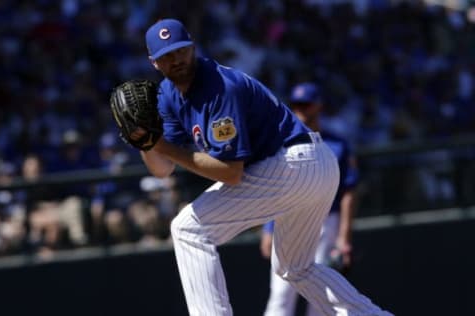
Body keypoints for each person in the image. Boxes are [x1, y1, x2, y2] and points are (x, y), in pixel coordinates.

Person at [132, 18, 392, 315]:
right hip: (307, 165)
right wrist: (146, 142)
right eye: (167, 55)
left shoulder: (218, 87)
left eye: (180, 50)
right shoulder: (167, 95)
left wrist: (162, 145)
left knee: (188, 229)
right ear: (154, 62)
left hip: (292, 164)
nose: (176, 59)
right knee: (295, 267)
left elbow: (231, 173)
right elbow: (162, 169)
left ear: (192, 47)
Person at [260, 82, 360, 316]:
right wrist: (268, 227)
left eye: (307, 104)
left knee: (320, 295)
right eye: (297, 104)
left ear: (319, 106)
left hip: (326, 222)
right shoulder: (281, 143)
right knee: (281, 292)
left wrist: (344, 238)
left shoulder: (338, 144)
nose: (302, 109)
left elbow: (349, 192)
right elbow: (276, 189)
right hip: (289, 219)